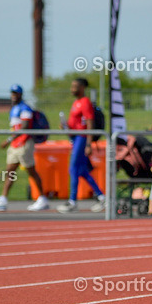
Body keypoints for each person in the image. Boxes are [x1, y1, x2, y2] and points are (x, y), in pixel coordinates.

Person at [0, 84, 50, 212]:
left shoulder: (25, 108)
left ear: (20, 94)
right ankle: (3, 199)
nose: (13, 95)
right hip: (15, 144)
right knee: (10, 171)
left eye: (16, 93)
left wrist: (9, 140)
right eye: (12, 93)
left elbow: (24, 126)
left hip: (24, 143)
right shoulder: (14, 108)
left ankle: (42, 198)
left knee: (31, 171)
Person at [58, 78, 106, 213]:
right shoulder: (76, 102)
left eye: (75, 86)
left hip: (82, 138)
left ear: (82, 87)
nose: (72, 89)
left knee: (73, 168)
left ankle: (72, 201)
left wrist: (89, 144)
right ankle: (102, 197)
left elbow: (89, 123)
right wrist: (65, 126)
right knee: (82, 171)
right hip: (75, 137)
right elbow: (76, 122)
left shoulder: (85, 102)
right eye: (72, 86)